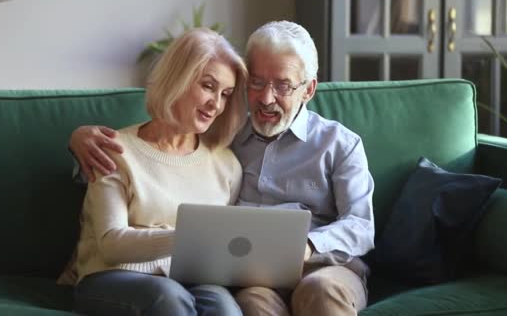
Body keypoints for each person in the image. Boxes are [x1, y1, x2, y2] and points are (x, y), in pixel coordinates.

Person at [69, 21, 375, 316]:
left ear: (308, 90)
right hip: (255, 276)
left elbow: (361, 225)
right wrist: (78, 140)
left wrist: (309, 245)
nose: (267, 99)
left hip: (326, 268)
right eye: (256, 83)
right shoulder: (228, 138)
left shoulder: (338, 144)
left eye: (282, 86)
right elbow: (144, 161)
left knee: (318, 289)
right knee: (251, 303)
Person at [58, 27, 248, 316]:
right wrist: (189, 235)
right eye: (208, 86)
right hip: (110, 277)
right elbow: (111, 244)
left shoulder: (227, 165)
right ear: (178, 80)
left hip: (189, 280)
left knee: (224, 307)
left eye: (226, 94)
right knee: (168, 298)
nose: (216, 104)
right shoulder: (114, 149)